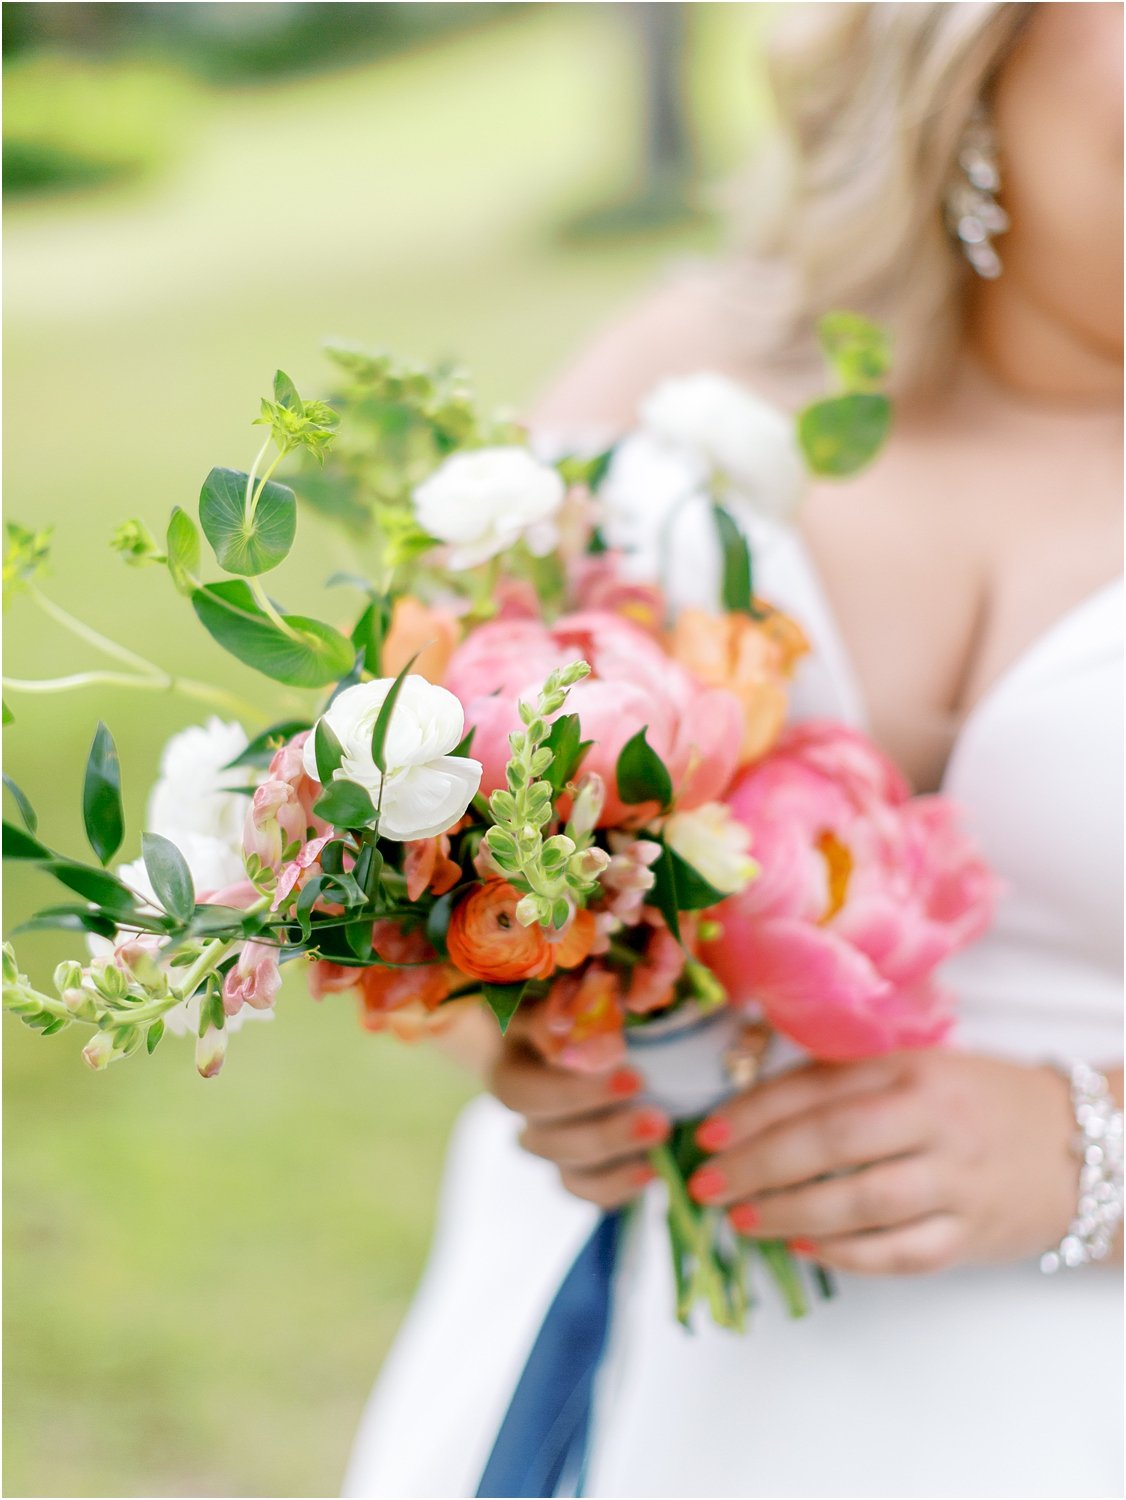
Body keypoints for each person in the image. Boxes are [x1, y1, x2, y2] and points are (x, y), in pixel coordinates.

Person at [344, 4, 1123, 1495]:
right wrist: (519, 1025)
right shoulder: (688, 366)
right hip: (602, 1365)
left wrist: (1083, 1153)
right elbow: (410, 800)